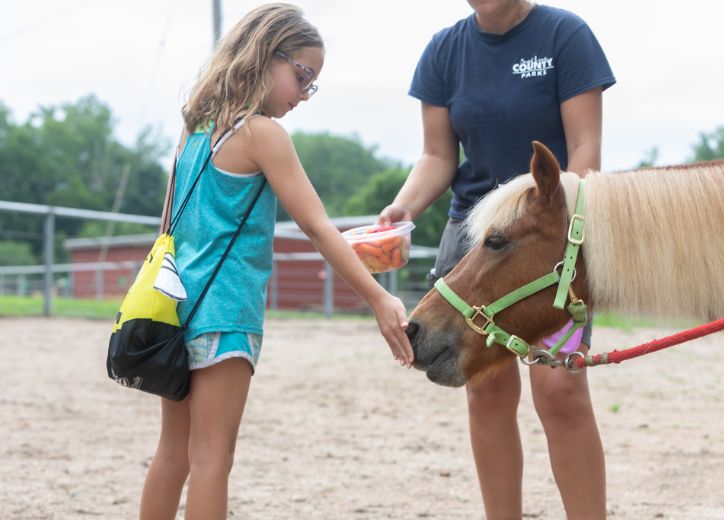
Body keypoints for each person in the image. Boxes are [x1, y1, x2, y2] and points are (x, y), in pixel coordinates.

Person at [140, 4, 414, 519]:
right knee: (212, 459)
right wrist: (378, 296)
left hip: (173, 310)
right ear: (266, 53)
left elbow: (166, 229)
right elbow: (316, 226)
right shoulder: (263, 135)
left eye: (313, 85)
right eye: (302, 75)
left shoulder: (192, 131)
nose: (304, 94)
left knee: (173, 453)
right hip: (226, 315)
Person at [378, 1, 615, 518]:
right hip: (473, 236)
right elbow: (439, 155)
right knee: (483, 389)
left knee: (560, 390)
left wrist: (564, 233)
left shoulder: (564, 35)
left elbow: (585, 148)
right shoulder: (445, 50)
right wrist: (404, 206)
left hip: (547, 240)